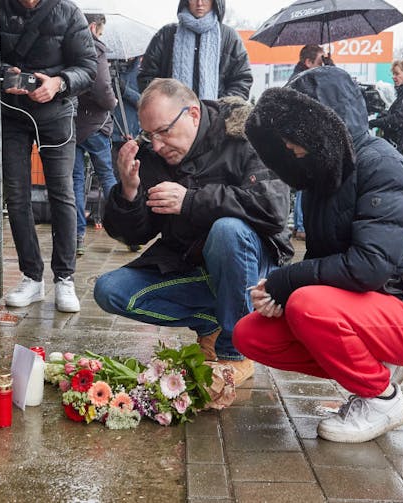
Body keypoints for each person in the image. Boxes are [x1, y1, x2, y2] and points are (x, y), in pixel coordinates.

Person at [238, 66, 403, 443]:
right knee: (251, 334)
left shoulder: (383, 166)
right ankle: (369, 376)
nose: (288, 146)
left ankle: (382, 399)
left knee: (309, 304)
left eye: (294, 135)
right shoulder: (323, 175)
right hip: (371, 306)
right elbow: (327, 264)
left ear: (323, 128)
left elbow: (368, 267)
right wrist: (278, 292)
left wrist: (287, 282)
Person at [93, 78, 293, 385]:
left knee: (227, 231)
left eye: (164, 131)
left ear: (193, 114)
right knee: (108, 291)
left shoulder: (245, 136)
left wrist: (190, 200)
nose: (157, 145)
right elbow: (134, 237)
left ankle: (235, 351)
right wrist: (129, 193)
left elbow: (273, 209)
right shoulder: (152, 156)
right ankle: (210, 323)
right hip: (187, 262)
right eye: (149, 134)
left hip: (253, 266)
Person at [0, 0, 96, 312]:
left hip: (56, 113)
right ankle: (32, 277)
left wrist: (59, 83)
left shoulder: (68, 12)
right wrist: (5, 74)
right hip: (11, 112)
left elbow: (88, 68)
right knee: (16, 196)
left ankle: (64, 278)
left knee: (62, 193)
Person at [138, 0, 252, 100]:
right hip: (171, 120)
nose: (200, 3)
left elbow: (242, 80)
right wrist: (165, 104)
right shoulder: (166, 34)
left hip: (215, 121)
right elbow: (146, 77)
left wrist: (219, 110)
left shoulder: (229, 37)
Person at [73, 13, 118, 257]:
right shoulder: (96, 49)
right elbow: (102, 87)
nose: (101, 36)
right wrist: (113, 102)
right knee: (107, 177)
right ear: (93, 27)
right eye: (100, 31)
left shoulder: (69, 46)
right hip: (96, 125)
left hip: (72, 125)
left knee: (75, 182)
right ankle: (126, 225)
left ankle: (76, 236)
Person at [289, 44, 327, 241]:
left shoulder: (300, 78)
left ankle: (300, 224)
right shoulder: (304, 81)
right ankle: (302, 225)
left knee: (304, 184)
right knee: (307, 183)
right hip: (305, 139)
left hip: (302, 138)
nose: (323, 65)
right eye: (321, 61)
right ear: (308, 62)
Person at [111, 55, 144, 252]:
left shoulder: (141, 72)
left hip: (132, 135)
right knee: (117, 183)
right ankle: (122, 229)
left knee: (134, 182)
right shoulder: (112, 69)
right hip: (111, 133)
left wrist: (124, 90)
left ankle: (133, 233)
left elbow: (144, 101)